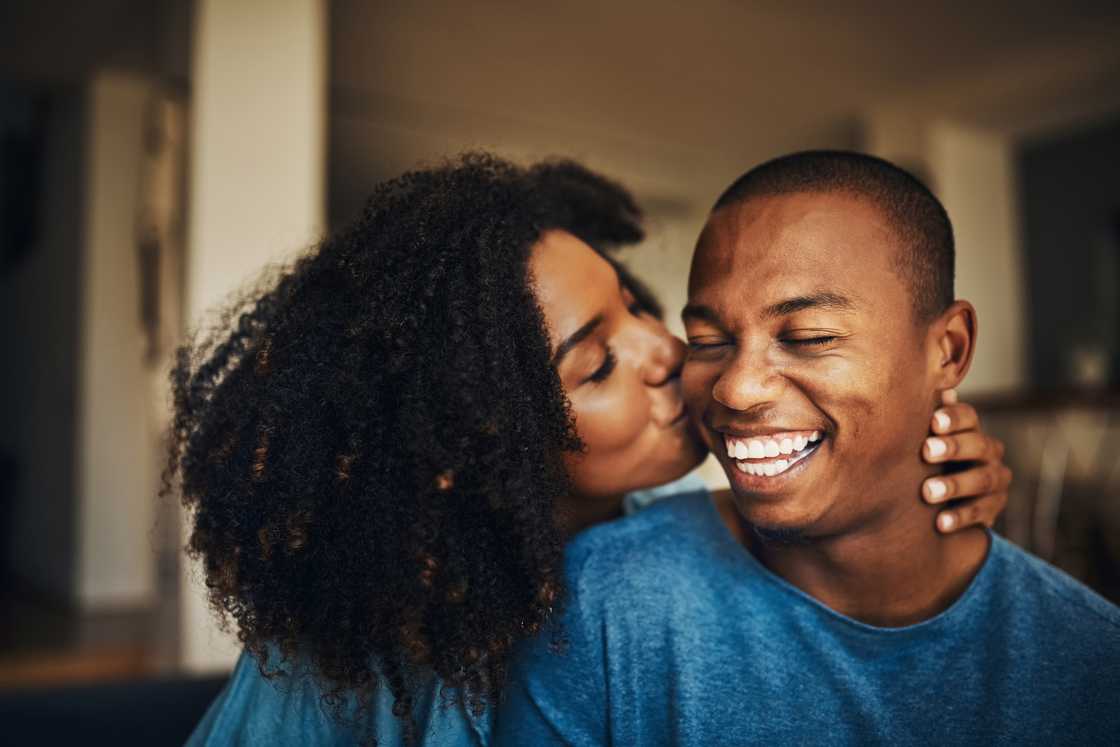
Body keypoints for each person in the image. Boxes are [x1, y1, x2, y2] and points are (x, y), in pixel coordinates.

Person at [171, 155, 1011, 745]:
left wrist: (919, 470)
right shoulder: (352, 649)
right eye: (599, 362)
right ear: (475, 441)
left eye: (638, 307)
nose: (666, 353)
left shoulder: (668, 527)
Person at [497, 151, 1120, 745]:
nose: (735, 389)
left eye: (810, 336)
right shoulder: (598, 601)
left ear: (948, 350)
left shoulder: (1090, 661)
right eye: (708, 338)